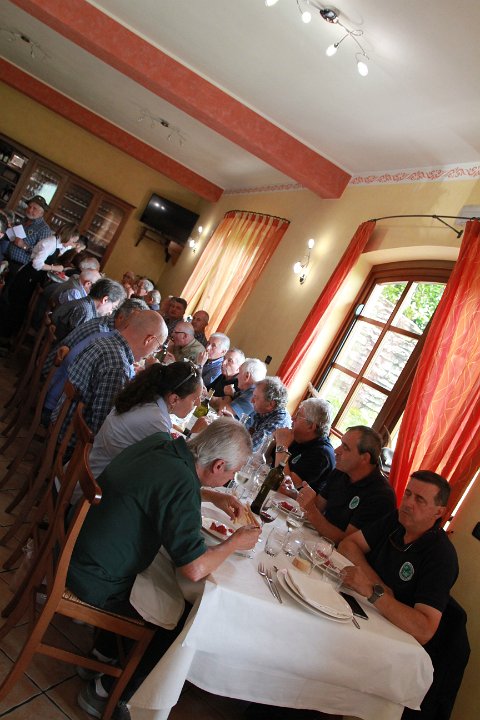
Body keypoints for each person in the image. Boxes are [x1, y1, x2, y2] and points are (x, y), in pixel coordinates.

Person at [69, 418, 261, 717]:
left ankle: (101, 655)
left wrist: (210, 494)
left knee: (161, 580)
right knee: (184, 620)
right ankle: (108, 691)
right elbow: (194, 569)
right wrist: (235, 542)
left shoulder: (161, 442)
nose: (230, 479)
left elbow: (160, 486)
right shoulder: (182, 483)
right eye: (232, 473)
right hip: (95, 575)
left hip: (79, 545)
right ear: (218, 465)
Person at [338, 471, 458, 646]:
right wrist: (377, 585)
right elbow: (348, 545)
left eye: (419, 499)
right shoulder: (396, 519)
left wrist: (372, 591)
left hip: (393, 640)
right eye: (408, 494)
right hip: (364, 612)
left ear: (439, 512)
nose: (408, 503)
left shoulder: (442, 556)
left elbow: (424, 630)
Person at [53, 309, 167, 436]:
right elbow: (103, 425)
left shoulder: (104, 339)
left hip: (59, 420)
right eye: (158, 347)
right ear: (149, 339)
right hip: (71, 438)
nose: (154, 353)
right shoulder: (118, 366)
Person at [89, 360, 203, 478]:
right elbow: (171, 469)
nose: (198, 404)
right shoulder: (157, 421)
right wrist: (194, 436)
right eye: (195, 399)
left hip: (92, 465)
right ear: (174, 399)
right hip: (96, 481)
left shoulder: (147, 397)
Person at [42, 298, 149, 422]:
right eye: (133, 324)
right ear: (121, 317)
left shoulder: (107, 335)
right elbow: (101, 416)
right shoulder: (102, 334)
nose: (134, 330)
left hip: (56, 395)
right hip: (56, 405)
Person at [297, 425, 396, 545]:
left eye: (345, 447)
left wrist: (311, 510)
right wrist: (299, 495)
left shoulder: (381, 496)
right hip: (317, 542)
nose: (336, 451)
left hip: (336, 554)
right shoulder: (341, 472)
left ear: (365, 458)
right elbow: (318, 507)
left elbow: (345, 542)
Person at [274, 398, 335, 493]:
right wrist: (275, 440)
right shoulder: (299, 437)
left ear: (311, 426)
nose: (292, 418)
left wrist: (281, 445)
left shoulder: (322, 454)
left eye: (298, 416)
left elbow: (283, 487)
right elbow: (265, 463)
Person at [51, 277, 126, 341]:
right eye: (113, 307)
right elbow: (74, 340)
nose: (110, 312)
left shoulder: (86, 304)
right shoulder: (85, 311)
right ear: (105, 300)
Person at [4, 195, 52, 277]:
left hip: (20, 267)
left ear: (42, 213)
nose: (30, 210)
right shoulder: (24, 220)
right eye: (29, 207)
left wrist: (24, 246)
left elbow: (41, 254)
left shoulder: (44, 230)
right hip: (7, 259)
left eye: (34, 208)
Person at [245, 376, 292, 451]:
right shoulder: (263, 410)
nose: (251, 401)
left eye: (256, 397)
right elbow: (249, 435)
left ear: (270, 404)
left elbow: (249, 448)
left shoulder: (279, 422)